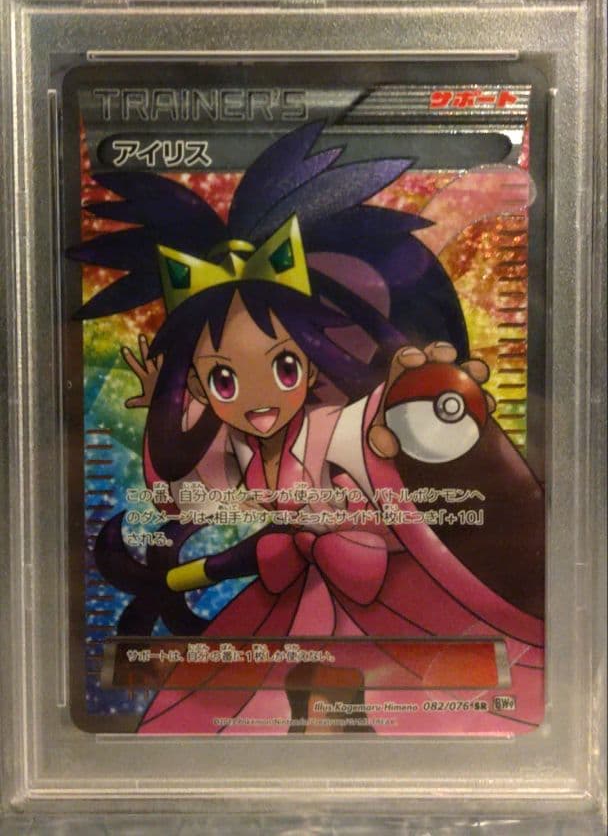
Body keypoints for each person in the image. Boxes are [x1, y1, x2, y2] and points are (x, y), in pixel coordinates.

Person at [71, 122, 544, 734]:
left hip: (400, 600)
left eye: (284, 367)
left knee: (435, 709)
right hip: (303, 600)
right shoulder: (239, 449)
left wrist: (428, 398)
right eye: (224, 380)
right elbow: (181, 489)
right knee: (231, 711)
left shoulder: (336, 427)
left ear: (313, 360)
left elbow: (384, 421)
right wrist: (166, 404)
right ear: (202, 386)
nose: (259, 400)